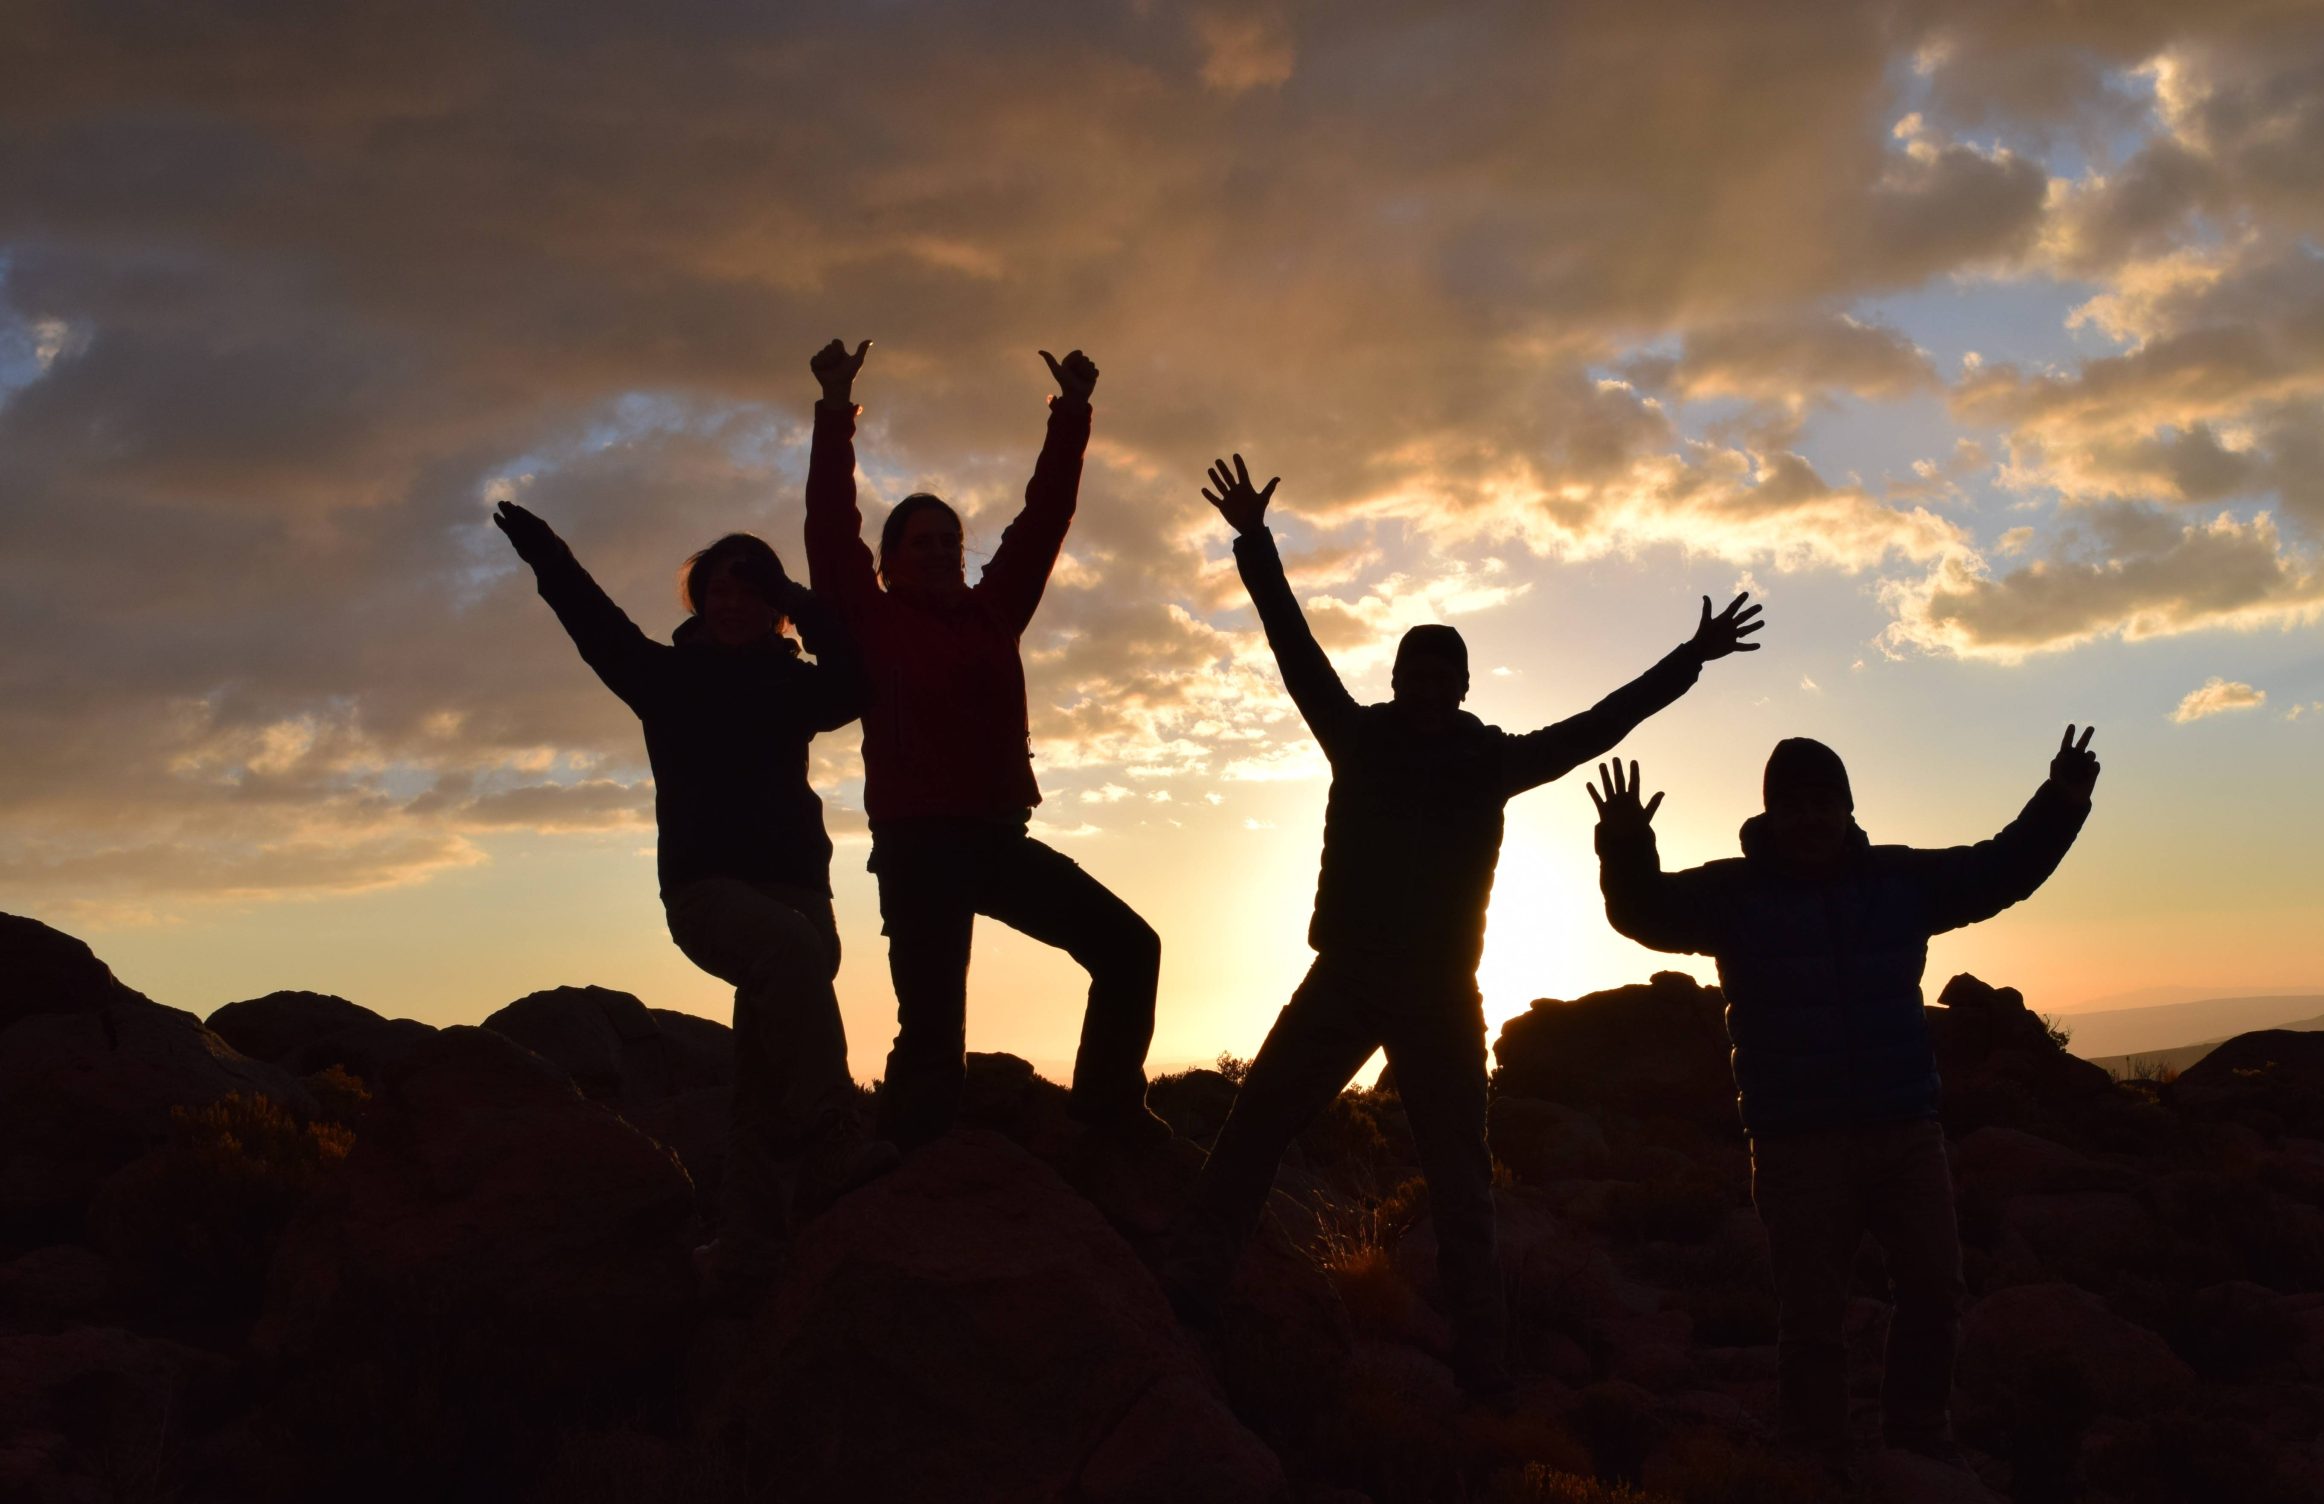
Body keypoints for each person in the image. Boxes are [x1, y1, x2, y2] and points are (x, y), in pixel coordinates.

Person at [1164, 454, 1768, 1403]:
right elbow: (1294, 645)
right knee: (1256, 1128)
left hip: (1441, 992)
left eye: (1442, 674)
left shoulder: (1490, 761)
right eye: (1416, 670)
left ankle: (1484, 1370)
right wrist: (1255, 542)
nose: (1427, 685)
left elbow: (1600, 723)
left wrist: (1689, 660)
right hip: (1348, 975)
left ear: (1461, 685)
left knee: (1460, 1183)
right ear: (1399, 678)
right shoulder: (1358, 737)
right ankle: (1191, 1293)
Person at [1587, 727, 2101, 1460]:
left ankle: (1918, 1441)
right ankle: (1816, 1458)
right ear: (1771, 814)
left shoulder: (1897, 880)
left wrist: (2060, 801)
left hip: (1904, 1128)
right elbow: (1646, 912)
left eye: (1823, 802)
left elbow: (1998, 870)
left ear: (1847, 809)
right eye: (1793, 804)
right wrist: (1626, 846)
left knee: (1934, 1290)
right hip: (1796, 1141)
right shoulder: (1734, 893)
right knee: (1811, 1318)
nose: (1809, 817)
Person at [490, 501, 889, 1307]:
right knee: (788, 953)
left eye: (751, 591)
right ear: (700, 601)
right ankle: (833, 1125)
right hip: (707, 894)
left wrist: (803, 600)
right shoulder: (663, 678)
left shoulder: (793, 685)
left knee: (762, 1077)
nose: (732, 604)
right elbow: (594, 623)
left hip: (801, 892)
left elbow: (858, 679)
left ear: (773, 606)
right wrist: (549, 553)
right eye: (718, 590)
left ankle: (748, 1251)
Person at [802, 337, 1169, 1152]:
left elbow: (1045, 519)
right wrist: (833, 406)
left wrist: (1072, 411)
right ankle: (903, 1181)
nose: (940, 552)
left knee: (1128, 948)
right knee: (934, 1040)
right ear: (889, 563)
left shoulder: (994, 611)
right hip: (918, 849)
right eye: (921, 542)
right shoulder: (871, 619)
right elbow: (829, 529)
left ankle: (1103, 1117)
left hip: (998, 839)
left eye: (950, 541)